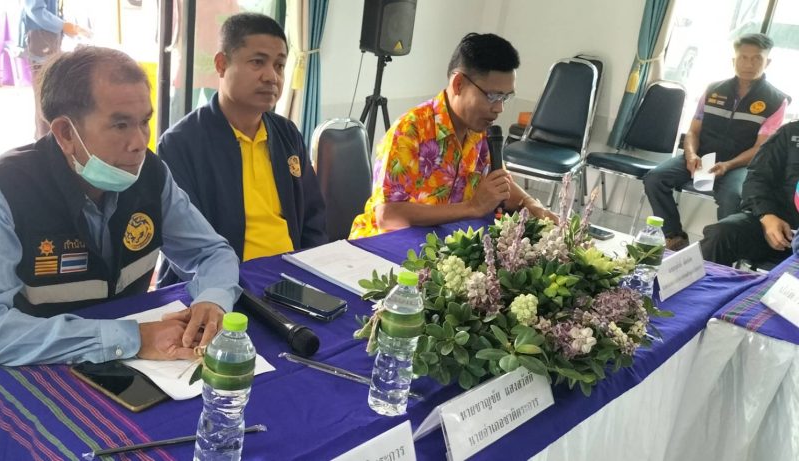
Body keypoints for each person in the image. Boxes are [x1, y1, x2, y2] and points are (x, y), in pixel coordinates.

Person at [0, 47, 241, 366]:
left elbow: (213, 253)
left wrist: (213, 300)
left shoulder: (151, 175)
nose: (140, 143)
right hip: (39, 365)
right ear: (66, 133)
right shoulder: (4, 192)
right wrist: (132, 338)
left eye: (144, 122)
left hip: (137, 364)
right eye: (120, 125)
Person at [157, 13, 326, 284]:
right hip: (222, 284)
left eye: (280, 65)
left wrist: (310, 273)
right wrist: (229, 286)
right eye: (257, 62)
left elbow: (313, 218)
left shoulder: (287, 134)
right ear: (221, 64)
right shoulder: (181, 143)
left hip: (291, 278)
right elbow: (186, 246)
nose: (271, 77)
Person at [349, 33, 556, 239]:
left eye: (505, 97)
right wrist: (472, 207)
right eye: (493, 96)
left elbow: (498, 184)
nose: (499, 108)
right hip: (383, 243)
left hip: (440, 240)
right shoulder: (410, 130)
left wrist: (531, 204)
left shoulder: (480, 130)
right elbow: (388, 216)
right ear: (459, 84)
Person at [643, 33, 789, 251]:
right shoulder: (713, 90)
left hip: (740, 165)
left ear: (767, 62)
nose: (749, 64)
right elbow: (693, 131)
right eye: (743, 57)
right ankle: (674, 236)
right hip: (702, 157)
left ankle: (722, 252)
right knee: (655, 178)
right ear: (733, 60)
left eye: (756, 58)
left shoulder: (776, 100)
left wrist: (728, 165)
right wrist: (691, 155)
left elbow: (760, 148)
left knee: (733, 197)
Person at [700, 120, 799, 267]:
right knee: (720, 235)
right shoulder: (790, 132)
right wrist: (766, 216)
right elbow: (758, 177)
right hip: (777, 223)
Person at [21, 0, 91, 139]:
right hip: (40, 37)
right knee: (44, 92)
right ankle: (45, 139)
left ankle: (47, 138)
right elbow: (35, 11)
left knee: (49, 90)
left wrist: (65, 26)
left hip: (48, 36)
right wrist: (63, 25)